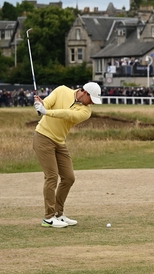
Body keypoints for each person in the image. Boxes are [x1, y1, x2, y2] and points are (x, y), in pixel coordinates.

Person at [32, 82, 102, 228]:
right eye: (92, 99)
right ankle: (49, 217)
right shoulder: (62, 90)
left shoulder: (85, 112)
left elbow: (67, 114)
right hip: (43, 137)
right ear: (84, 92)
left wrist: (46, 112)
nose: (92, 103)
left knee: (69, 178)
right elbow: (48, 103)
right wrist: (41, 104)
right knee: (52, 176)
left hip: (59, 142)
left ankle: (59, 213)